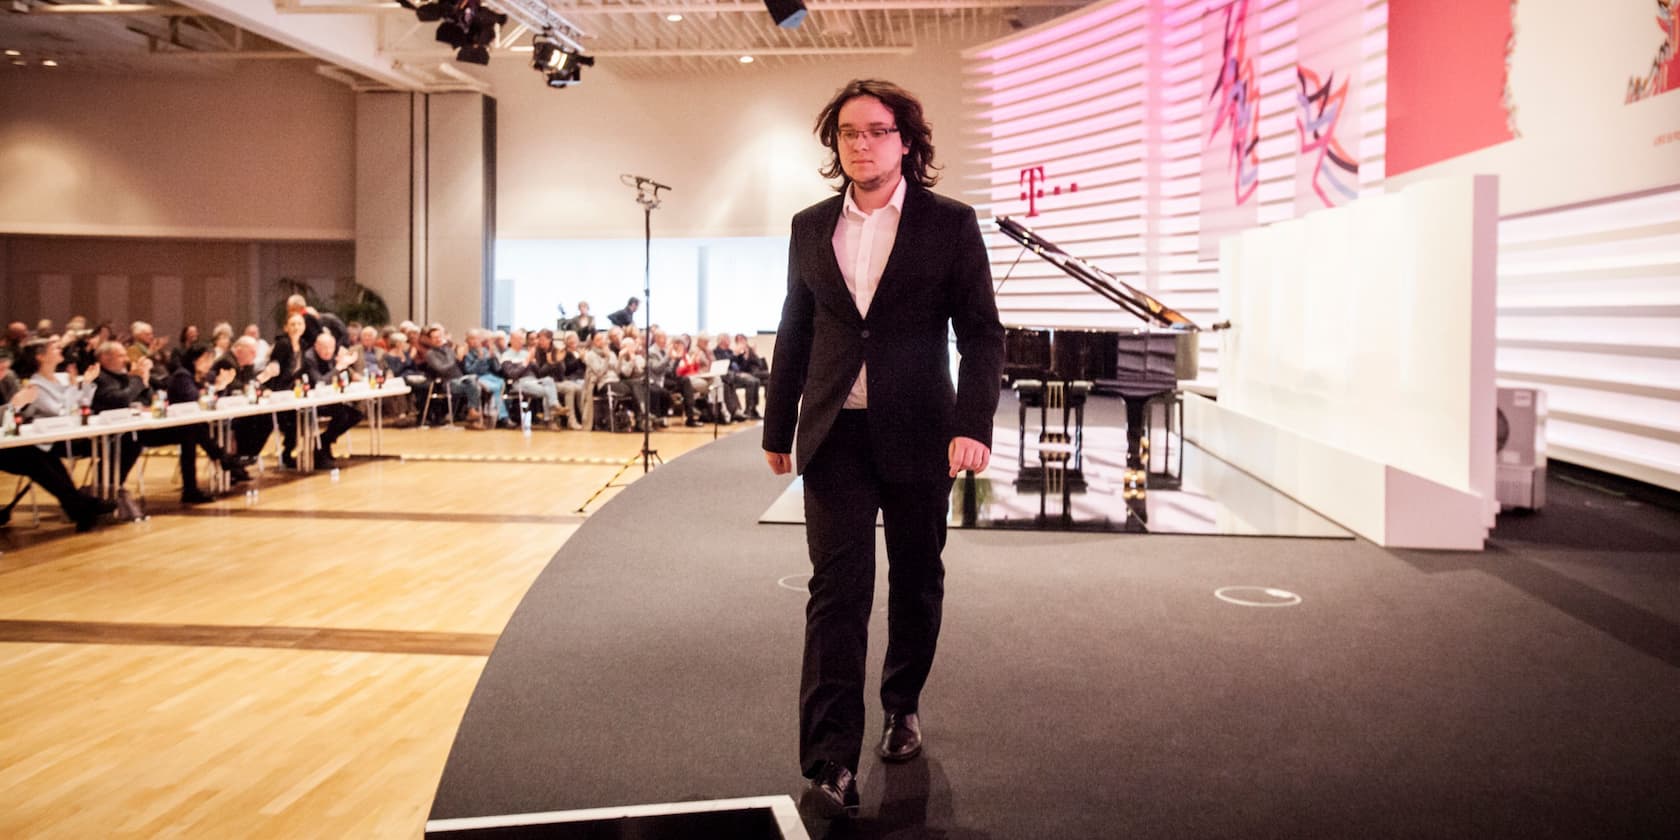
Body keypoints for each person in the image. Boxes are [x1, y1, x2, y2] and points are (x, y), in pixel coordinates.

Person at [762, 79, 1005, 820]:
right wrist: (779, 426)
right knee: (836, 590)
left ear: (906, 141)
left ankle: (902, 704)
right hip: (835, 432)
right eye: (846, 134)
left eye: (875, 131)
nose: (860, 144)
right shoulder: (810, 226)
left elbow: (983, 333)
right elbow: (796, 329)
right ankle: (830, 756)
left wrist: (974, 423)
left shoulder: (951, 224)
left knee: (915, 576)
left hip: (920, 431)